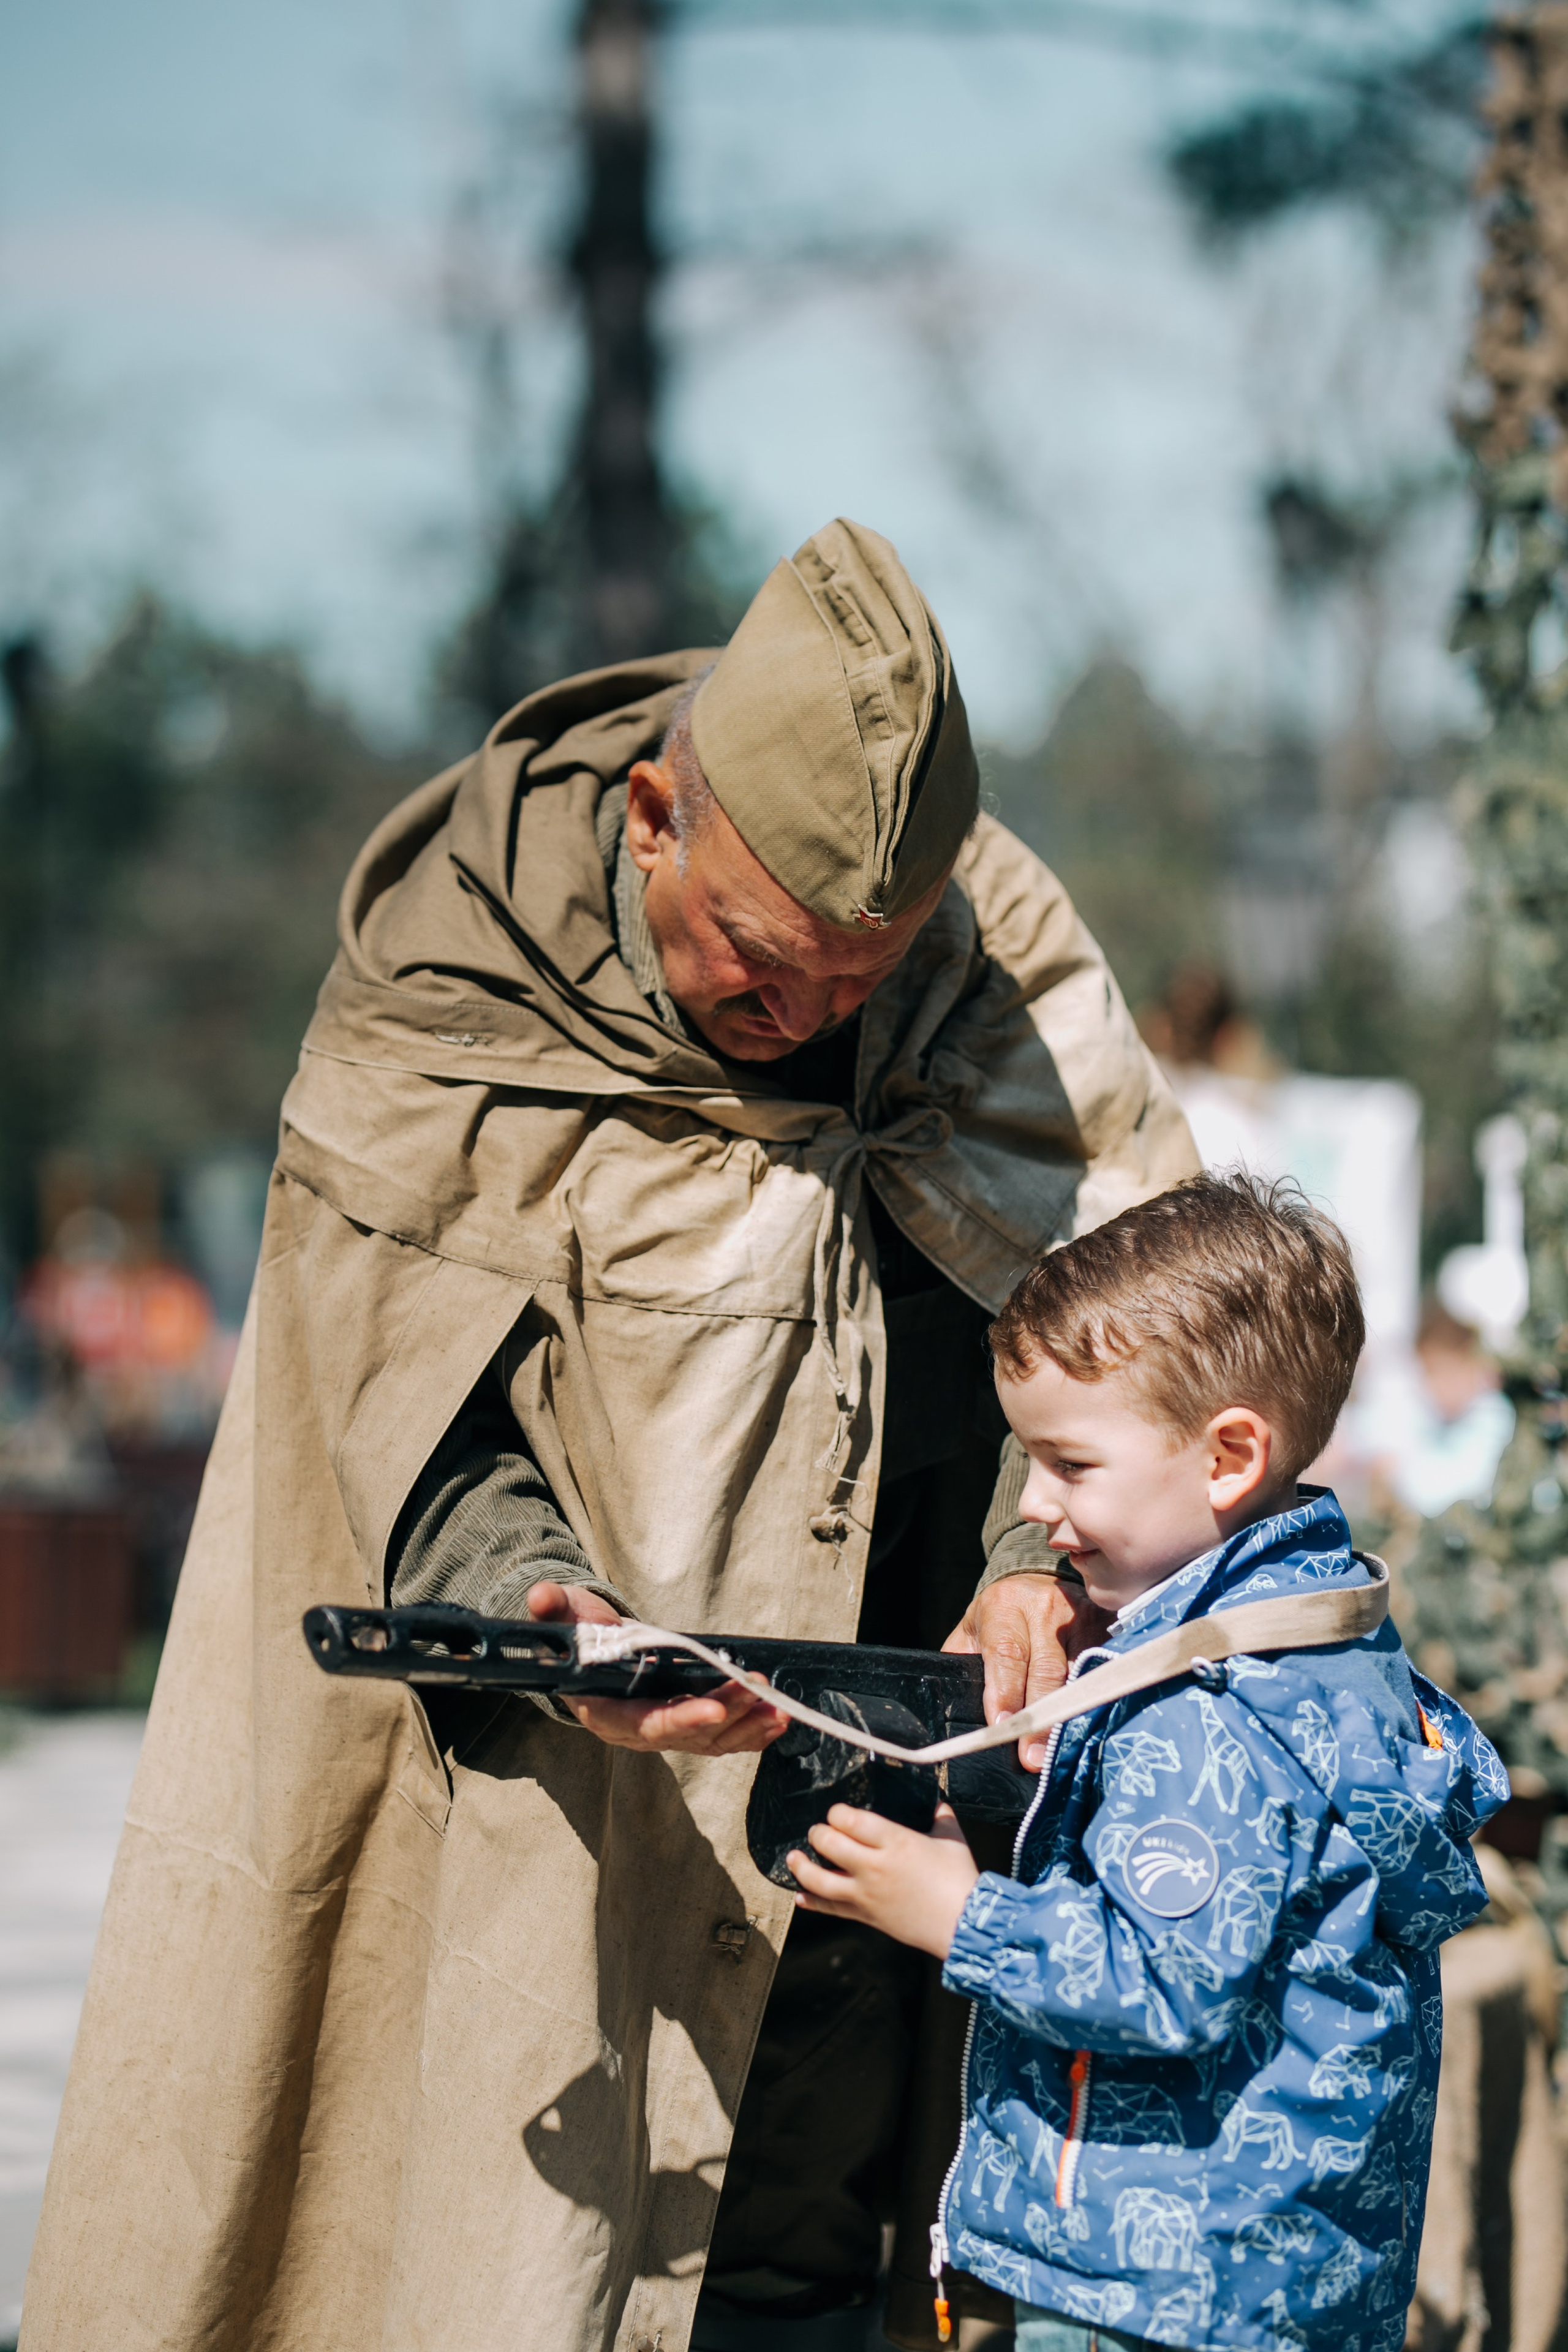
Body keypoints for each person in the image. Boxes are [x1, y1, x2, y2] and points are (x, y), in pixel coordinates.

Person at [22, 519, 1198, 2352]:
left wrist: (1027, 1562)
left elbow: (1129, 1317)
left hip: (874, 1878)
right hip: (555, 1851)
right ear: (653, 815)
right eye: (757, 957)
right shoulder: (453, 980)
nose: (803, 1018)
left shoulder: (994, 975)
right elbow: (389, 1402)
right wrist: (537, 1603)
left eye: (856, 979)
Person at [790, 1174, 1505, 2352]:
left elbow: (1164, 1982)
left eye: (1070, 1466)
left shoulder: (1210, 1706)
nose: (1034, 1504)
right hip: (1273, 2271)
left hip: (1156, 2283)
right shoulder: (1324, 1647)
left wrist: (955, 1914)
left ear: (1228, 1457)